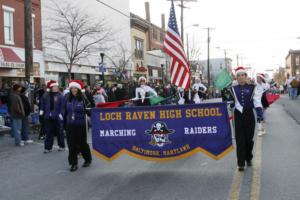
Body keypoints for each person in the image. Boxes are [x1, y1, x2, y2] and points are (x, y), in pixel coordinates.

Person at [230, 67, 263, 171]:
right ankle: (240, 163)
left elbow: (257, 100)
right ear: (236, 77)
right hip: (238, 115)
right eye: (238, 75)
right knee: (240, 140)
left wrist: (259, 112)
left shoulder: (253, 87)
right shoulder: (232, 88)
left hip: (249, 114)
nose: (240, 77)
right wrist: (230, 104)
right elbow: (229, 102)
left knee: (249, 139)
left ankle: (248, 157)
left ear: (246, 76)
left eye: (242, 75)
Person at [64, 80, 92, 172]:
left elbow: (90, 110)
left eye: (75, 88)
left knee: (82, 143)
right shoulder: (67, 97)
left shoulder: (83, 98)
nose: (73, 89)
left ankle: (87, 159)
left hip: (81, 124)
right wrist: (63, 123)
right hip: (70, 125)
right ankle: (73, 163)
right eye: (72, 88)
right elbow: (64, 111)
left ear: (78, 89)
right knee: (71, 144)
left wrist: (90, 112)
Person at [40, 80, 65, 153]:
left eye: (56, 87)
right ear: (51, 87)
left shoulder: (60, 96)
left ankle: (61, 146)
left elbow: (63, 106)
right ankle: (48, 148)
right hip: (48, 117)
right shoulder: (46, 95)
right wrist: (41, 111)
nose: (55, 88)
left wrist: (61, 114)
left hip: (57, 116)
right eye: (54, 87)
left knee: (60, 132)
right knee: (48, 132)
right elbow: (42, 104)